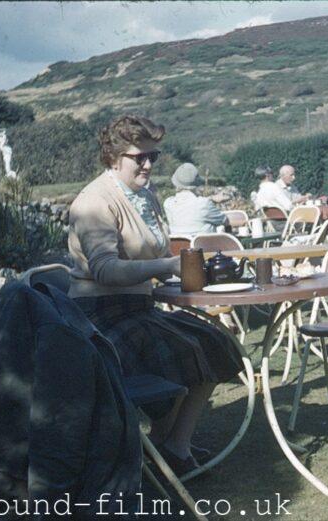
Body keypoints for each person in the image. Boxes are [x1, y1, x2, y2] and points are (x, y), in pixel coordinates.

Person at [68, 115, 243, 474]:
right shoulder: (94, 202)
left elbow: (157, 255)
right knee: (184, 352)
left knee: (214, 340)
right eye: (139, 157)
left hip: (138, 307)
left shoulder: (144, 196)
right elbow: (104, 269)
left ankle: (172, 446)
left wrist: (186, 275)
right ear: (114, 157)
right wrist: (167, 267)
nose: (148, 164)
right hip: (98, 316)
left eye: (154, 157)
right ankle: (165, 452)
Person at [163, 162, 228, 236]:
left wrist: (211, 198)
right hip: (205, 247)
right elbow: (225, 221)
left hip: (177, 247)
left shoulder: (168, 204)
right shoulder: (203, 204)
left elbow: (187, 204)